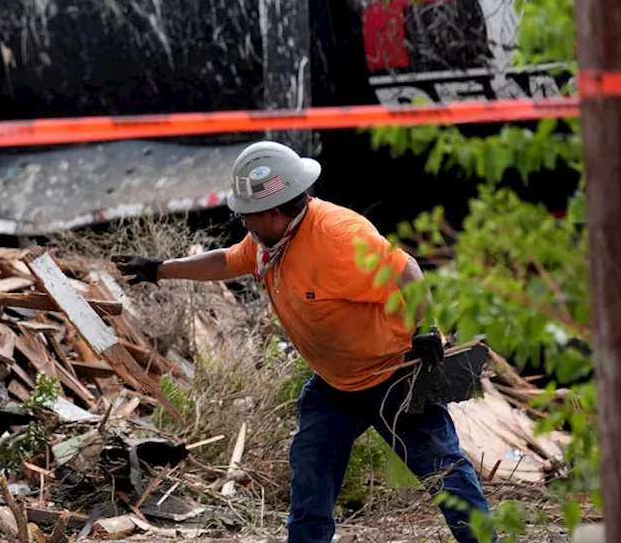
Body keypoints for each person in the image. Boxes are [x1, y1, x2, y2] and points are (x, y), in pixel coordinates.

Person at [112, 140, 493, 543]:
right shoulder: (270, 242)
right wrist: (160, 270)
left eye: (248, 216)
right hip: (335, 385)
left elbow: (407, 268)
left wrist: (427, 328)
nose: (244, 223)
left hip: (395, 376)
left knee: (444, 473)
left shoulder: (339, 237)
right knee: (311, 473)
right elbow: (227, 260)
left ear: (275, 212)